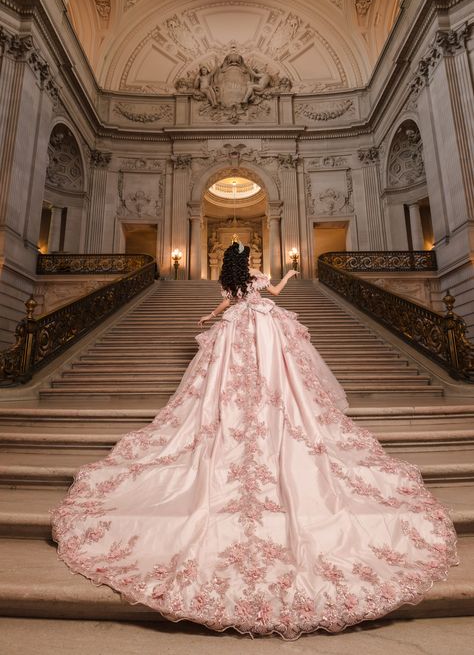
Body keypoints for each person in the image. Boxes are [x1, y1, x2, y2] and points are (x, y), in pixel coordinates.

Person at [50, 241, 458, 640]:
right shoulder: (256, 279)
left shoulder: (230, 281)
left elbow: (226, 304)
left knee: (228, 381)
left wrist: (208, 317)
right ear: (248, 262)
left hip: (237, 332)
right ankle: (266, 405)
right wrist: (291, 276)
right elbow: (275, 293)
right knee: (267, 375)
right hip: (262, 328)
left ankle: (255, 407)